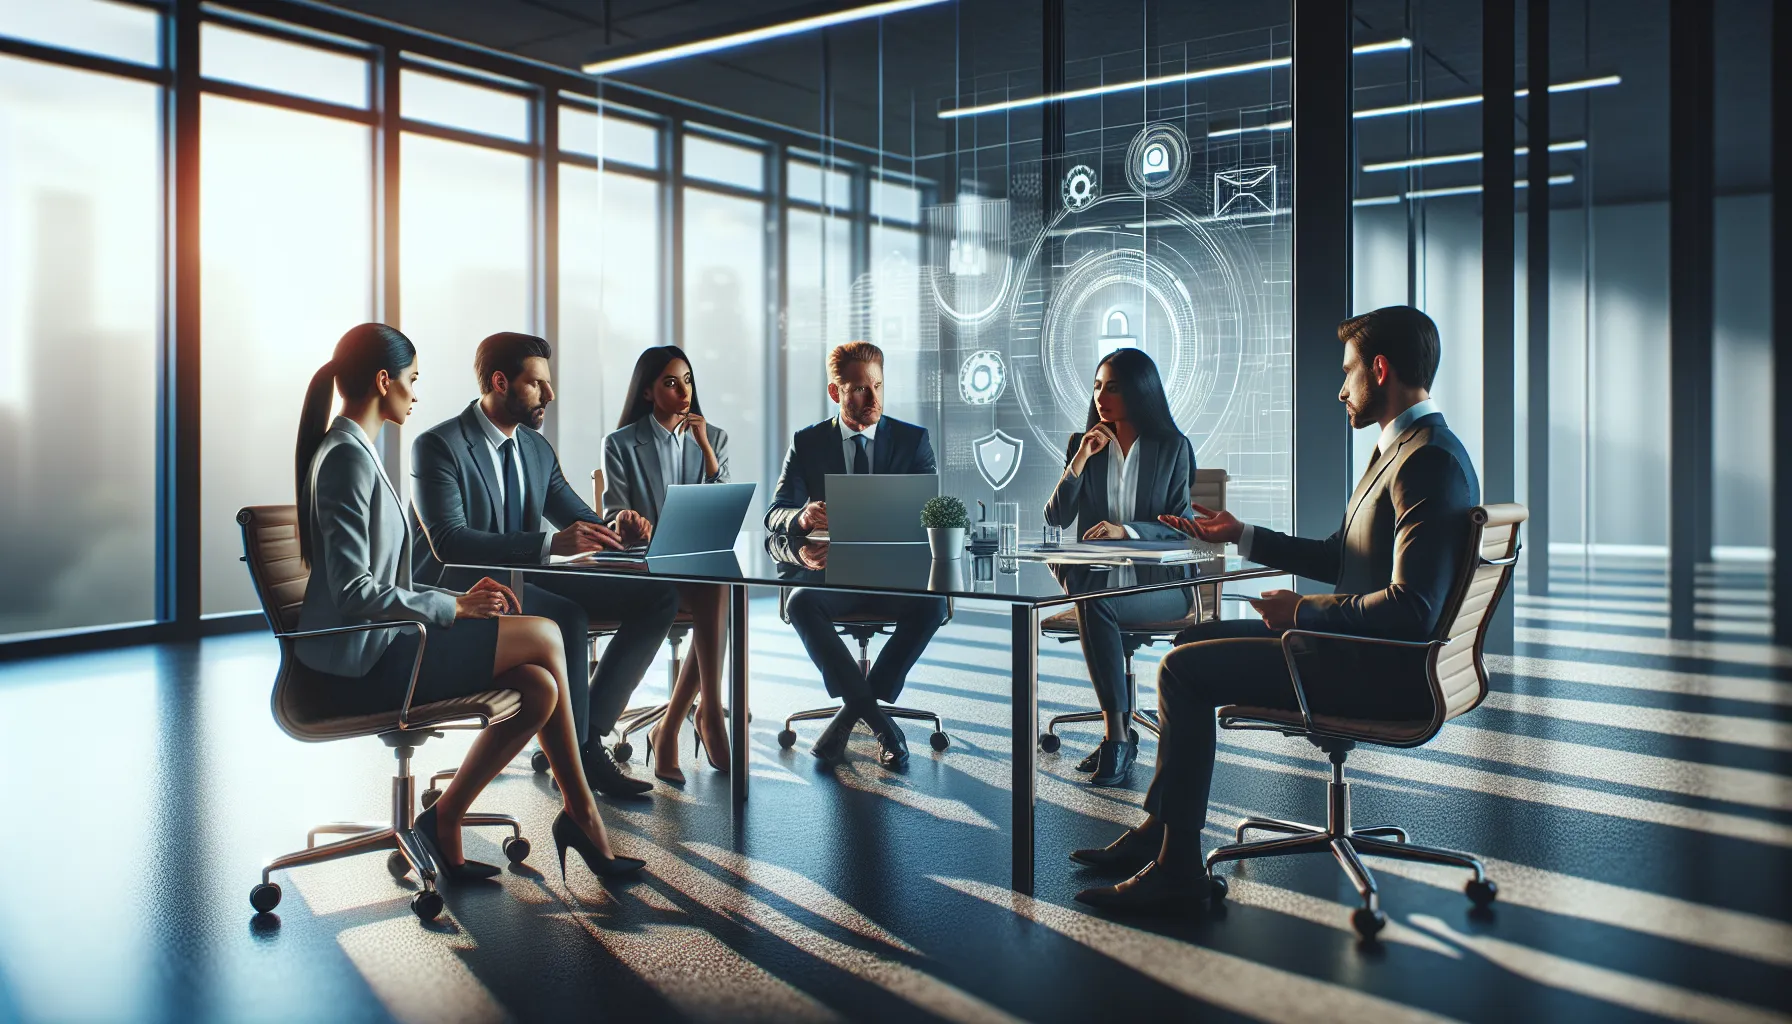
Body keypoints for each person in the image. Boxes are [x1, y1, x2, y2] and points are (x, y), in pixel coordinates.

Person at [1072, 305, 1480, 914]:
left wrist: (1303, 612)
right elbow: (1342, 556)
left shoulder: (1429, 462)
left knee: (1181, 672)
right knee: (1192, 643)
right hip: (1357, 651)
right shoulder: (1404, 451)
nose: (1342, 389)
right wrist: (1239, 534)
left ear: (1381, 369)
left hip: (1375, 670)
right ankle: (1163, 832)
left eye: (1348, 373)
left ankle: (1178, 872)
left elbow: (1413, 610)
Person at [293, 323, 643, 885]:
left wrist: (457, 599)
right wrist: (453, 609)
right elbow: (356, 593)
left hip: (389, 641)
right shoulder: (348, 459)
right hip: (360, 663)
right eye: (411, 379)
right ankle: (584, 817)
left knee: (539, 688)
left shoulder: (355, 451)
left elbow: (382, 580)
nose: (415, 392)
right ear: (383, 381)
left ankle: (445, 817)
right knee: (548, 634)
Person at [409, 332, 680, 799]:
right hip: (460, 585)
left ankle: (588, 732)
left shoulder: (535, 448)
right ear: (500, 382)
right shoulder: (438, 445)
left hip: (527, 575)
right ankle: (579, 756)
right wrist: (549, 544)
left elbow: (579, 517)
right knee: (565, 614)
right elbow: (448, 542)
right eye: (537, 385)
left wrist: (618, 527)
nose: (549, 396)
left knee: (658, 595)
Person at [766, 341, 949, 770]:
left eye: (878, 387)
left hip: (894, 578)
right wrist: (802, 517)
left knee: (932, 604)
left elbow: (929, 516)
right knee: (800, 603)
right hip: (832, 580)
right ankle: (883, 723)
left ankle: (855, 715)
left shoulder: (912, 440)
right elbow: (775, 515)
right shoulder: (808, 443)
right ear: (836, 393)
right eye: (860, 390)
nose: (873, 399)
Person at [1043, 348, 1196, 787]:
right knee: (1096, 599)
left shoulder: (1172, 448)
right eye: (1097, 386)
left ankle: (1116, 738)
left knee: (1095, 602)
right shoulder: (1083, 444)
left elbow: (1180, 529)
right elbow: (1055, 518)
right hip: (1100, 584)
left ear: (1139, 390)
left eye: (1113, 386)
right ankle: (1119, 735)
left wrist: (1125, 532)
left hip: (1160, 587)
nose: (1101, 396)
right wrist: (1078, 462)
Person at [600, 345, 732, 784]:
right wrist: (626, 520)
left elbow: (720, 504)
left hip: (696, 564)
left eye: (688, 380)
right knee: (717, 593)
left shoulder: (714, 437)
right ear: (648, 392)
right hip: (645, 566)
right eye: (671, 382)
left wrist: (705, 449)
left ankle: (677, 724)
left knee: (715, 584)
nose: (683, 391)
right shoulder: (620, 443)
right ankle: (704, 715)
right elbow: (613, 510)